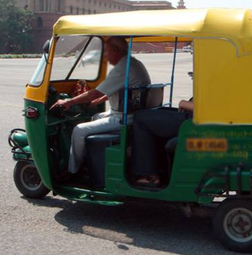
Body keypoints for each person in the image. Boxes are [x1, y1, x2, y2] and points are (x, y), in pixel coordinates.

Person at [50, 36, 151, 174]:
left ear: (115, 50)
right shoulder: (132, 63)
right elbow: (120, 89)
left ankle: (73, 171)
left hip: (125, 118)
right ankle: (93, 160)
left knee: (78, 130)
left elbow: (95, 93)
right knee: (96, 117)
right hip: (132, 113)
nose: (105, 56)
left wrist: (69, 101)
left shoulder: (122, 68)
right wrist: (100, 100)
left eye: (107, 51)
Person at [131, 99, 194, 186]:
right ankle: (160, 169)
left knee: (139, 117)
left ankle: (148, 175)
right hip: (196, 117)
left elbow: (207, 110)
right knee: (159, 111)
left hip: (196, 120)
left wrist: (183, 103)